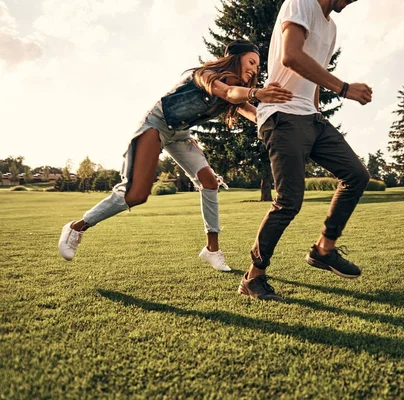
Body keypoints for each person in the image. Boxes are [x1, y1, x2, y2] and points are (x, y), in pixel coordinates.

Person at [58, 40, 293, 272]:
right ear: (235, 59)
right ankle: (77, 227)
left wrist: (285, 124)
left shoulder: (234, 95)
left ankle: (212, 250)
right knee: (136, 194)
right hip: (156, 125)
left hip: (180, 135)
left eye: (257, 65)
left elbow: (255, 114)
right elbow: (229, 92)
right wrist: (258, 92)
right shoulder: (205, 75)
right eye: (251, 61)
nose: (254, 68)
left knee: (209, 183)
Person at [238, 0, 373, 300]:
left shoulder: (331, 27)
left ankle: (324, 249)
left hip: (311, 118)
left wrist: (315, 111)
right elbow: (291, 56)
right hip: (282, 115)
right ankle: (253, 278)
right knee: (289, 201)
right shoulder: (301, 3)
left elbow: (314, 75)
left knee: (356, 175)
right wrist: (344, 88)